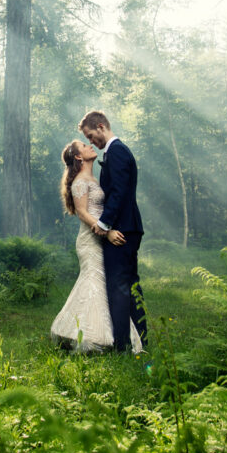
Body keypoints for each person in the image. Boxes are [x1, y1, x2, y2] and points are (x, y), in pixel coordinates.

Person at [50, 140, 143, 352]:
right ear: (79, 157)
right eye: (84, 145)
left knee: (103, 284)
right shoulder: (81, 181)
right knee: (94, 282)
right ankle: (90, 336)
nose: (90, 145)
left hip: (100, 238)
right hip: (90, 240)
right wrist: (107, 232)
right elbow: (83, 213)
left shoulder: (93, 178)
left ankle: (109, 335)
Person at [78, 110, 147, 352]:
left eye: (90, 135)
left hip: (122, 230)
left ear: (100, 127)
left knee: (118, 287)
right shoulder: (117, 151)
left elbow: (117, 192)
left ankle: (122, 346)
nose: (91, 141)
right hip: (129, 227)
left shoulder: (116, 151)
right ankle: (140, 340)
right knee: (130, 285)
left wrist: (104, 225)